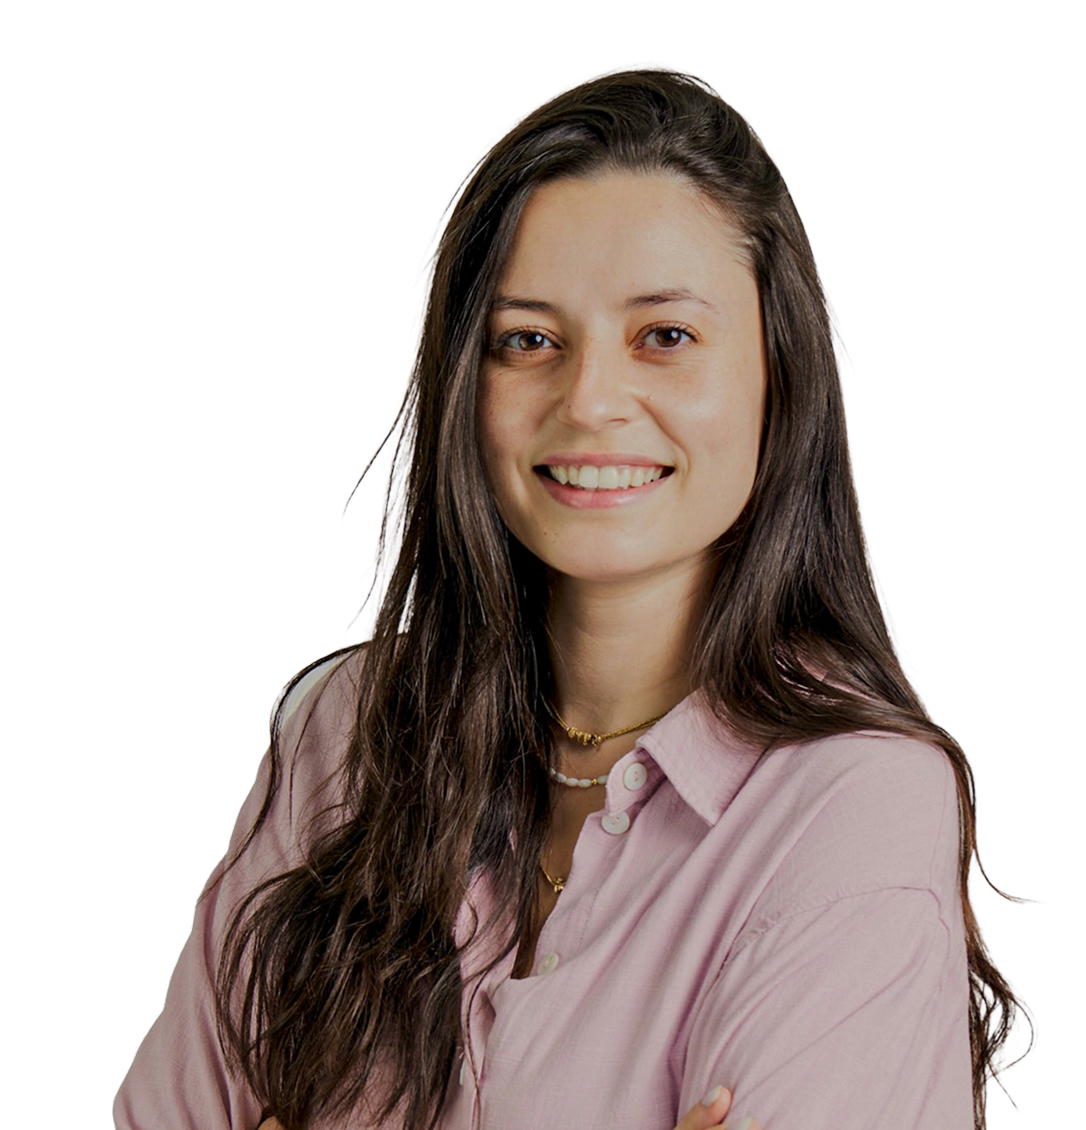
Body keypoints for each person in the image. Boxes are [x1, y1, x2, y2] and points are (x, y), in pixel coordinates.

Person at [112, 63, 1039, 1130]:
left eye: (666, 336)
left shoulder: (856, 799)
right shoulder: (344, 732)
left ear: (780, 376)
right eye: (529, 340)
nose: (590, 399)